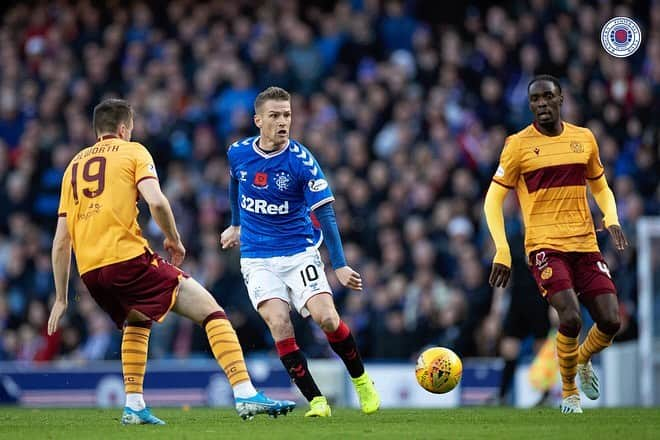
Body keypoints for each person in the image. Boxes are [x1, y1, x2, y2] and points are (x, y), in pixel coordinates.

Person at [47, 98, 295, 425]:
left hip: (92, 273)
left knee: (137, 320)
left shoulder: (73, 167)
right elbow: (156, 201)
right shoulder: (133, 151)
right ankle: (245, 392)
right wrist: (173, 239)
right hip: (127, 259)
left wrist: (62, 298)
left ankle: (134, 405)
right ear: (124, 129)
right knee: (211, 311)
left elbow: (61, 241)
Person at [221, 86, 380, 417]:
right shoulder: (237, 152)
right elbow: (235, 182)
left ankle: (362, 381)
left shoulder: (301, 161)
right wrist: (236, 224)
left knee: (327, 318)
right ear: (258, 120)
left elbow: (326, 213)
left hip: (299, 253)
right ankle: (317, 402)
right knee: (279, 323)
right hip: (257, 258)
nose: (283, 122)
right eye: (275, 116)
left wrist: (339, 265)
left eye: (288, 115)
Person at [483, 75, 628, 414]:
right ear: (530, 104)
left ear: (561, 99)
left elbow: (601, 186)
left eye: (548, 97)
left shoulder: (584, 138)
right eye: (535, 100)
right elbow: (492, 200)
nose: (542, 104)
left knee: (610, 321)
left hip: (585, 243)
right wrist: (502, 249)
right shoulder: (517, 145)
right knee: (571, 317)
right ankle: (569, 394)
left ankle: (580, 359)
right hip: (544, 245)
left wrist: (612, 218)